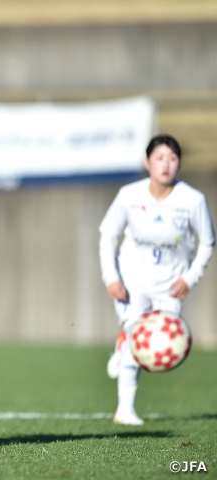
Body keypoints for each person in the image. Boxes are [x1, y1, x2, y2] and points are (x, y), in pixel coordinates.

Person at [99, 134, 215, 425]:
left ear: (179, 163)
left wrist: (190, 278)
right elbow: (107, 236)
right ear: (147, 162)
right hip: (133, 280)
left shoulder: (192, 200)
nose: (165, 165)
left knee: (162, 352)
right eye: (159, 158)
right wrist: (111, 277)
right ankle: (124, 410)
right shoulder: (129, 195)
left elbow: (208, 243)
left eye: (172, 159)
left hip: (171, 285)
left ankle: (124, 342)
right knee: (136, 344)